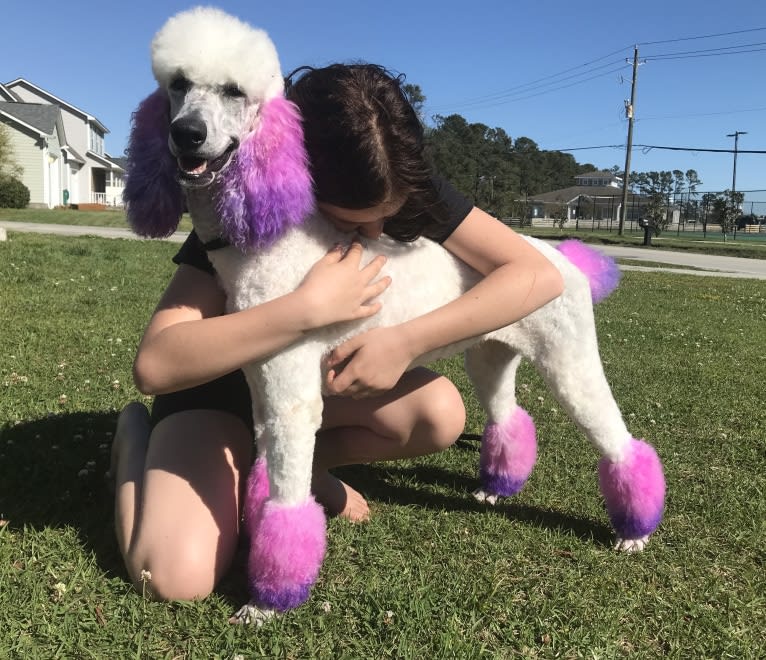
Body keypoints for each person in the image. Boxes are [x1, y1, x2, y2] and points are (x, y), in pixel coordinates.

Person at [111, 63, 564, 601]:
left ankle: (299, 469)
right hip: (215, 390)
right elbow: (156, 364)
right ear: (301, 178)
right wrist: (306, 308)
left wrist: (406, 342)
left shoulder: (395, 181)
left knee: (439, 414)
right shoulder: (243, 208)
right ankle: (132, 440)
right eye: (351, 221)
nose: (374, 233)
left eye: (387, 218)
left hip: (314, 393)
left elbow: (537, 274)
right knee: (172, 578)